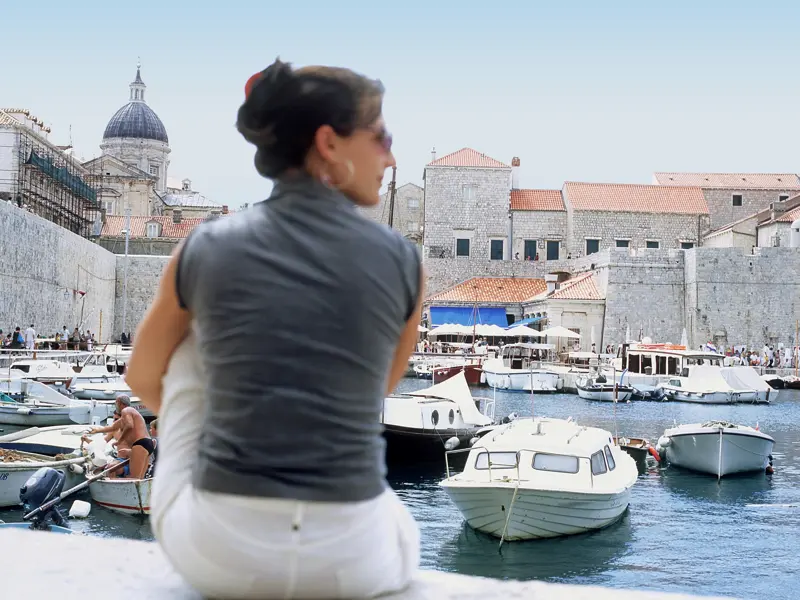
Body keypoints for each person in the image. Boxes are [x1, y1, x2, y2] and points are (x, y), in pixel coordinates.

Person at [126, 58, 422, 600]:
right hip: (355, 562)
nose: (392, 157)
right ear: (329, 143)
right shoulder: (404, 261)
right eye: (381, 137)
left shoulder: (206, 246)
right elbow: (372, 389)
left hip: (219, 554)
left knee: (192, 347)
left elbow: (144, 378)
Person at [87, 396, 153, 479]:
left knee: (134, 478)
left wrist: (120, 441)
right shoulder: (129, 414)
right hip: (147, 444)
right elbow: (113, 427)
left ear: (120, 403)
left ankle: (114, 485)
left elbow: (129, 425)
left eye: (116, 403)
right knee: (140, 478)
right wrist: (96, 430)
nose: (115, 405)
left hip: (140, 444)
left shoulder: (126, 410)